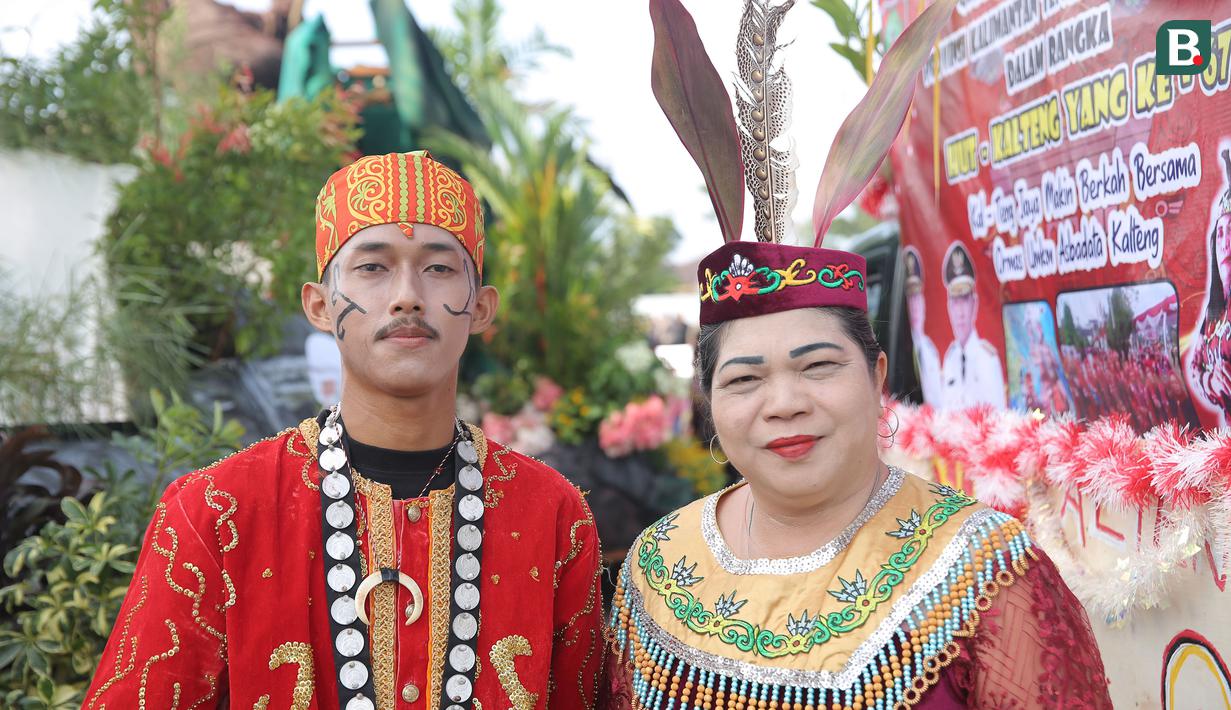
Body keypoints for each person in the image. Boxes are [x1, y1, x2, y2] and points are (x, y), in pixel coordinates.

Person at [601, 1, 1112, 707]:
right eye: (745, 377)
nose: (784, 402)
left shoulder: (982, 569)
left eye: (816, 366)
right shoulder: (658, 568)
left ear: (876, 378)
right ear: (710, 405)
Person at [85, 151, 605, 710]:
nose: (407, 295)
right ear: (318, 304)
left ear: (479, 308)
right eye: (372, 268)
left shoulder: (553, 516)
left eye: (438, 268)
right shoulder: (216, 512)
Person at [1190, 149, 1231, 425]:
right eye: (1221, 232)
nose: (1226, 242)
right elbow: (1194, 367)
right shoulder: (1213, 313)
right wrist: (1210, 379)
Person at [940, 241, 1007, 409]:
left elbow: (997, 419)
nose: (960, 312)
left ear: (974, 304)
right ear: (948, 307)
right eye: (955, 302)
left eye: (964, 300)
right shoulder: (950, 359)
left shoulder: (988, 358)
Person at [902, 246, 943, 406]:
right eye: (910, 295)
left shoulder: (933, 350)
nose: (915, 304)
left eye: (918, 294)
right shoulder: (908, 343)